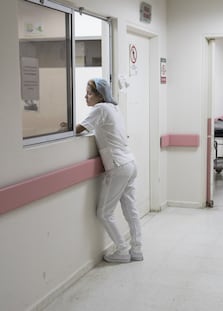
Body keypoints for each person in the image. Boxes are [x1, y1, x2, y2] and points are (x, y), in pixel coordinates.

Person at [76, 78, 143, 264]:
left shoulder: (100, 109)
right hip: (130, 163)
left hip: (118, 165)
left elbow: (79, 129)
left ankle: (122, 250)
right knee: (131, 210)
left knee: (104, 213)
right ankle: (136, 249)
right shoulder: (114, 108)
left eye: (89, 93)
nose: (85, 96)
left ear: (99, 95)